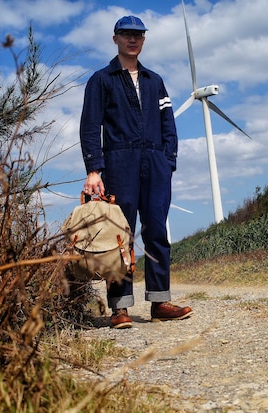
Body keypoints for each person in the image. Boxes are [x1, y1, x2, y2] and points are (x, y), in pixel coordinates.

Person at [79, 15, 193, 329]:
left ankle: (159, 301)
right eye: (127, 34)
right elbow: (90, 127)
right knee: (120, 236)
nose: (133, 40)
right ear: (115, 38)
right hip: (119, 164)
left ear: (143, 40)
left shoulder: (155, 81)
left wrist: (168, 159)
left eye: (138, 35)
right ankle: (119, 308)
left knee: (157, 231)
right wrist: (94, 170)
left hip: (155, 163)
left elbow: (169, 122)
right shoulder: (101, 80)